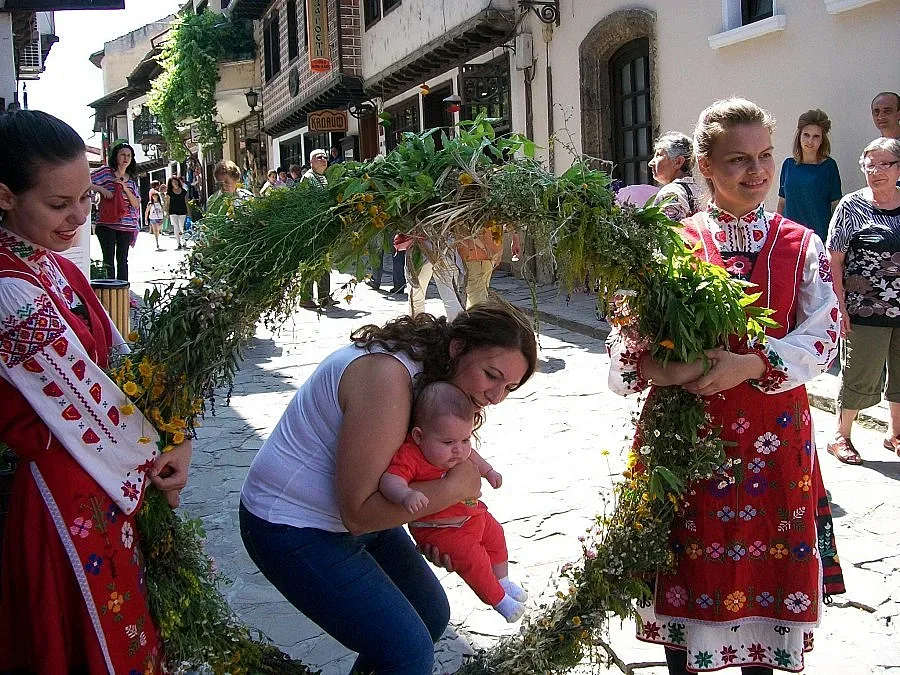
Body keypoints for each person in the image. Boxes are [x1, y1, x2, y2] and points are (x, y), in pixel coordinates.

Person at [608, 98, 844, 674]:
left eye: (764, 156)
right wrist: (674, 370)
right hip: (685, 442)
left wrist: (754, 363)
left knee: (768, 566)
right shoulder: (668, 248)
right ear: (706, 168)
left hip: (774, 440)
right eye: (738, 160)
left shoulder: (799, 245)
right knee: (687, 566)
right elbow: (624, 353)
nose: (756, 171)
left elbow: (825, 332)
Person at [239, 302, 537, 674]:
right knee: (406, 650)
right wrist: (453, 488)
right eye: (492, 375)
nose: (495, 396)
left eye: (508, 387)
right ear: (457, 348)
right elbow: (359, 514)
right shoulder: (388, 378)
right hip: (290, 524)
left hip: (346, 519)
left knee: (430, 613)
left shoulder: (436, 380)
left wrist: (439, 528)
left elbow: (408, 473)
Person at [0, 109, 192, 674]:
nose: (80, 216)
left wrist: (178, 433)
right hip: (64, 491)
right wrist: (161, 453)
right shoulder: (10, 292)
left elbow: (124, 363)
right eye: (59, 206)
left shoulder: (54, 268)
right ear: (5, 196)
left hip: (103, 481)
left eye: (85, 198)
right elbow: (86, 399)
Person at [380, 381, 528, 622]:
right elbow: (390, 480)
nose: (458, 450)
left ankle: (503, 581)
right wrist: (405, 494)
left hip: (471, 514)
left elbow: (473, 456)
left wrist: (489, 471)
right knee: (474, 559)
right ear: (419, 436)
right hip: (441, 529)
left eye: (465, 440)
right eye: (448, 443)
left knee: (496, 536)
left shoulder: (457, 448)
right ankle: (499, 600)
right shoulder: (411, 455)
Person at [825, 137, 900, 464]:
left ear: (898, 168)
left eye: (885, 164)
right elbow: (834, 260)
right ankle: (841, 435)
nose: (877, 171)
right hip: (865, 308)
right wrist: (839, 306)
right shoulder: (851, 206)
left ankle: (895, 433)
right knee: (858, 373)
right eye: (870, 165)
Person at [776, 109, 842, 243]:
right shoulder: (788, 165)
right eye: (806, 135)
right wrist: (775, 231)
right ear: (799, 136)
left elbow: (836, 205)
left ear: (822, 140)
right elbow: (782, 202)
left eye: (816, 136)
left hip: (819, 237)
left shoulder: (829, 166)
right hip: (789, 237)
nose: (810, 141)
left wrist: (834, 239)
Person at [90, 139, 140, 280]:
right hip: (107, 223)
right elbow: (84, 182)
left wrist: (124, 188)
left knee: (123, 260)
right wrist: (101, 189)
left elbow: (136, 204)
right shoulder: (106, 172)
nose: (125, 158)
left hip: (126, 225)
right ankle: (109, 293)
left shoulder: (131, 179)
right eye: (122, 155)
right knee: (108, 260)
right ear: (116, 156)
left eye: (128, 155)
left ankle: (123, 295)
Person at [299, 149, 333, 308]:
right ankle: (306, 297)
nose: (323, 159)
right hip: (311, 227)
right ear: (311, 162)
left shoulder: (324, 178)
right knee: (310, 263)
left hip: (323, 226)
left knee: (325, 262)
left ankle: (324, 296)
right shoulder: (308, 178)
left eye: (325, 157)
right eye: (319, 157)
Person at [649, 131, 702, 221]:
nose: (651, 163)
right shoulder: (698, 190)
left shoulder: (670, 192)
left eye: (659, 155)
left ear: (678, 162)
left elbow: (670, 230)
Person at [165, 175, 188, 250]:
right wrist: (167, 213)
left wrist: (189, 212)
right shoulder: (169, 192)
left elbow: (186, 202)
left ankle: (183, 240)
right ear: (171, 184)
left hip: (182, 210)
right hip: (173, 211)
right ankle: (178, 242)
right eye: (173, 182)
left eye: (175, 182)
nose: (175, 183)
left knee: (181, 227)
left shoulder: (184, 191)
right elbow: (167, 203)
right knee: (176, 226)